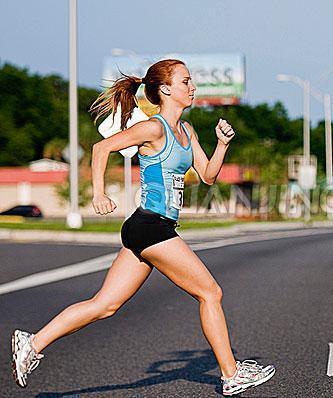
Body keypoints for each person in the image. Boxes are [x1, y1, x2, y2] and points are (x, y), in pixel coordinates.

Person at [11, 59, 275, 396]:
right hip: (151, 226)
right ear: (165, 89)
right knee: (210, 293)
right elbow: (101, 147)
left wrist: (222, 144)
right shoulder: (154, 128)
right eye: (185, 81)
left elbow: (208, 175)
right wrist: (99, 192)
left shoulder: (187, 132)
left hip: (150, 228)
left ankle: (32, 343)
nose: (192, 87)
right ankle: (231, 374)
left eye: (191, 81)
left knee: (105, 305)